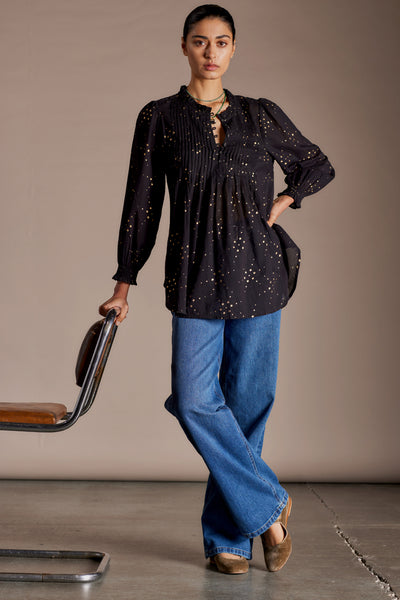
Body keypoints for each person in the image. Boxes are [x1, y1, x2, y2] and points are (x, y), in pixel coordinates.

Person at [100, 4, 335, 575]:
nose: (211, 51)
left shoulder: (260, 113)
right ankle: (271, 509)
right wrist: (123, 284)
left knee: (248, 409)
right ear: (184, 46)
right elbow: (141, 205)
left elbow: (316, 164)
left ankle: (229, 540)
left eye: (222, 41)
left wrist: (288, 198)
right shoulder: (159, 117)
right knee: (194, 400)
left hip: (260, 274)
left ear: (234, 49)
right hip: (194, 277)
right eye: (201, 41)